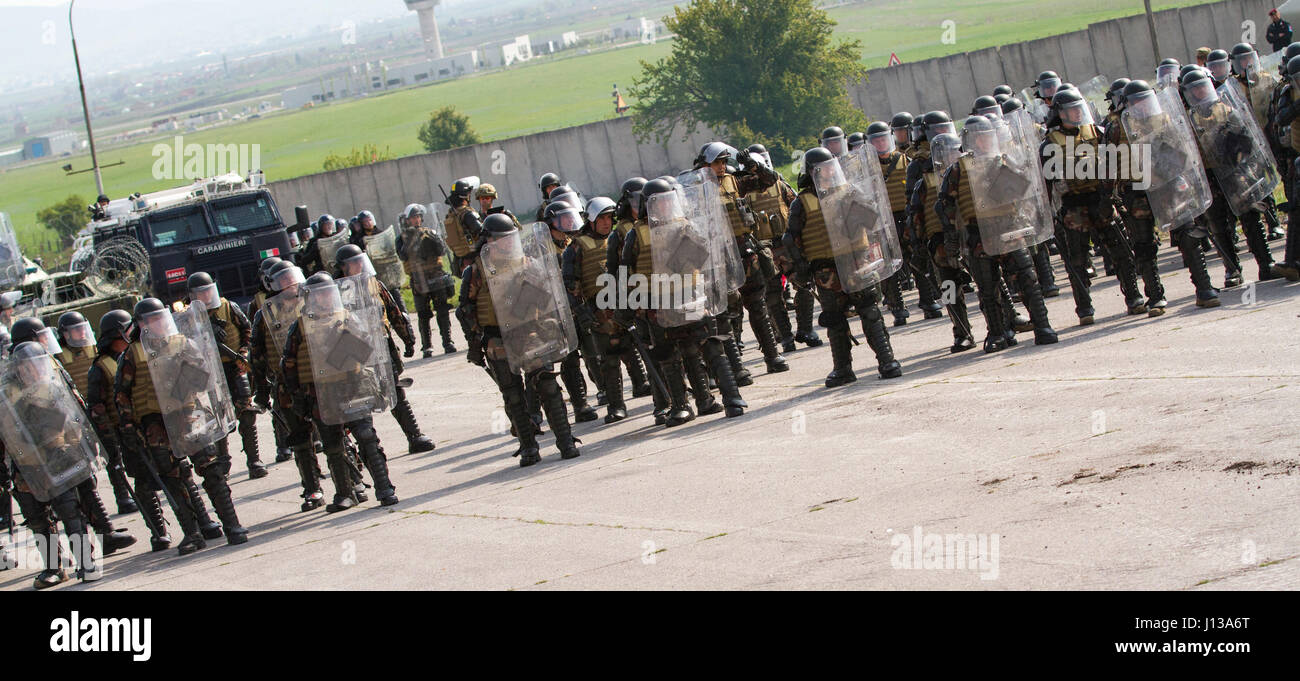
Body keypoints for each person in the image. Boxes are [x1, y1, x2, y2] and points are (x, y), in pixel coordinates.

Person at [116, 299, 247, 554]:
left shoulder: (183, 343)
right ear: (140, 324)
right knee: (172, 478)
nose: (155, 324)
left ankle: (232, 526)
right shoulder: (132, 353)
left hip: (189, 412)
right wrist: (129, 427)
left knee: (211, 469)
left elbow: (205, 376)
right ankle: (192, 533)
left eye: (158, 318)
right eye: (149, 320)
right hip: (156, 424)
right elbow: (122, 394)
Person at [620, 179, 748, 423]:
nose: (665, 208)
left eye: (669, 202)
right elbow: (626, 273)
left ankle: (729, 397)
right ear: (648, 206)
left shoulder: (686, 227)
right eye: (659, 204)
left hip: (691, 297)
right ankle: (681, 405)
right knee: (669, 355)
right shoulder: (635, 235)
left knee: (710, 345)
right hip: (658, 305)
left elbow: (706, 259)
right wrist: (628, 305)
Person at [458, 214, 582, 465]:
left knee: (547, 386)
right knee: (513, 395)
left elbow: (549, 299)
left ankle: (566, 440)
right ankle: (528, 447)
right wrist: (475, 345)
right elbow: (466, 310)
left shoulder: (528, 263)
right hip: (498, 338)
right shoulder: (477, 271)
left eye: (510, 238)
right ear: (489, 241)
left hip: (530, 332)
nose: (507, 243)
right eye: (501, 239)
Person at [935, 116, 1058, 351]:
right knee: (988, 289)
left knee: (1028, 280)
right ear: (970, 140)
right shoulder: (959, 168)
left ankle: (1042, 325)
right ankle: (997, 333)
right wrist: (951, 235)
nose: (984, 140)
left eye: (988, 135)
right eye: (979, 137)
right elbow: (944, 204)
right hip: (978, 234)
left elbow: (1025, 191)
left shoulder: (1004, 160)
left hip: (1010, 227)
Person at [786, 147, 903, 386]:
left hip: (857, 261)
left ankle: (887, 361)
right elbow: (791, 238)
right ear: (813, 172)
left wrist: (859, 206)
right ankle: (842, 369)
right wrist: (800, 267)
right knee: (834, 319)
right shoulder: (803, 202)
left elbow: (872, 220)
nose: (830, 171)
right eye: (824, 167)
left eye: (832, 165)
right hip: (826, 270)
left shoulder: (849, 192)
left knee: (870, 312)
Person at [282, 273, 400, 508]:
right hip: (322, 393)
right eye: (320, 294)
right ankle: (345, 494)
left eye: (328, 292)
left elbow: (368, 350)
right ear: (311, 298)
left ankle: (384, 488)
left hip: (354, 386)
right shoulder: (301, 326)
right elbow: (289, 362)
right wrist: (297, 395)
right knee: (333, 446)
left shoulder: (348, 318)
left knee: (367, 438)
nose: (325, 297)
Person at [334, 244, 435, 453]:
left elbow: (394, 313)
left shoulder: (375, 285)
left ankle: (414, 436)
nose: (359, 265)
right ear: (343, 267)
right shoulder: (335, 292)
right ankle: (364, 448)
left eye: (361, 260)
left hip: (381, 345)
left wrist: (408, 339)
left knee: (395, 390)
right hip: (354, 351)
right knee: (359, 399)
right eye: (354, 262)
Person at [186, 272, 266, 480]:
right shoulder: (189, 316)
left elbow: (247, 329)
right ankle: (223, 463)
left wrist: (242, 353)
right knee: (219, 418)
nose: (205, 296)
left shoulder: (229, 307)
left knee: (247, 413)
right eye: (200, 293)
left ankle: (254, 461)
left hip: (234, 367)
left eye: (207, 291)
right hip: (210, 373)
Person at [399, 203, 458, 357]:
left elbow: (442, 251)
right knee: (423, 314)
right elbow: (403, 255)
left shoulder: (429, 233)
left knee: (443, 310)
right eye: (413, 218)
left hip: (436, 276)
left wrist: (435, 238)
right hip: (419, 280)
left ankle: (448, 341)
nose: (416, 220)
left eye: (418, 217)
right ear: (408, 220)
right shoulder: (403, 238)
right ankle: (427, 347)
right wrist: (412, 239)